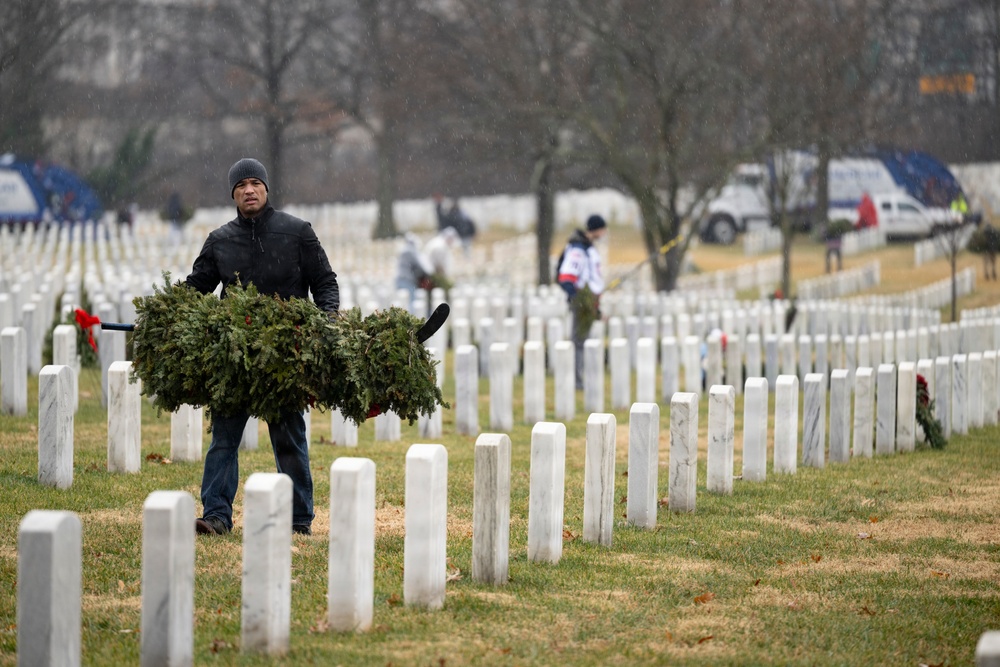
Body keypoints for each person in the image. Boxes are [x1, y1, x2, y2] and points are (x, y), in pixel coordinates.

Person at [185, 158, 339, 537]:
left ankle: (299, 519)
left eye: (255, 183)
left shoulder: (297, 232)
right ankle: (217, 515)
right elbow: (195, 289)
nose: (248, 190)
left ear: (266, 189)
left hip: (284, 354)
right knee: (223, 439)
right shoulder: (219, 240)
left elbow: (325, 282)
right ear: (233, 194)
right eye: (240, 185)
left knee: (289, 437)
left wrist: (328, 318)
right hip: (234, 354)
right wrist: (165, 313)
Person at [556, 214, 607, 389]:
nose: (604, 233)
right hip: (581, 302)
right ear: (597, 229)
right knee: (578, 341)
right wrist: (578, 298)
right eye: (602, 229)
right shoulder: (578, 249)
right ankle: (576, 381)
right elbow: (566, 277)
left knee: (583, 341)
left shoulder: (589, 249)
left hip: (590, 301)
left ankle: (580, 378)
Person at [395, 232, 433, 310]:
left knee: (403, 303)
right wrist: (428, 274)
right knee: (411, 303)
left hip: (400, 279)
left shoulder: (403, 250)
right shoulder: (410, 251)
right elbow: (421, 266)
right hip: (407, 281)